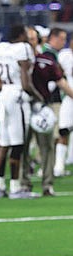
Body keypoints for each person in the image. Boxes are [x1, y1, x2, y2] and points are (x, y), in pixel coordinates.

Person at [23, 27, 73, 196]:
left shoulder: (45, 60)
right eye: (28, 38)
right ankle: (23, 183)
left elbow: (61, 82)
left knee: (47, 146)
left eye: (33, 38)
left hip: (42, 107)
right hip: (23, 105)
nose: (31, 41)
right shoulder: (18, 59)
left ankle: (47, 184)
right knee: (22, 146)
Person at [0, 25, 41, 199]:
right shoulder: (23, 48)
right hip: (17, 96)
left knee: (3, 143)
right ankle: (15, 188)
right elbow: (26, 82)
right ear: (21, 35)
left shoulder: (0, 48)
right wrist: (38, 97)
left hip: (3, 94)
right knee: (18, 144)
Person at [56, 36, 73, 177]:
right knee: (64, 130)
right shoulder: (64, 55)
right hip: (69, 98)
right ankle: (59, 166)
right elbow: (57, 72)